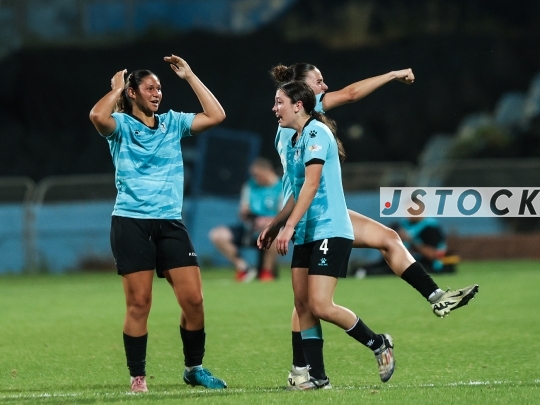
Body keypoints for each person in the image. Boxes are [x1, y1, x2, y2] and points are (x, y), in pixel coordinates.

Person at [266, 62, 479, 387]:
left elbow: (308, 184)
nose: (324, 87)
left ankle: (436, 296)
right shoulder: (298, 126)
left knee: (385, 241)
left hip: (320, 215)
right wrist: (392, 75)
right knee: (307, 302)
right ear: (302, 92)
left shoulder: (306, 127)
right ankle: (305, 370)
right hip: (310, 214)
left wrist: (282, 223)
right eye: (318, 82)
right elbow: (351, 94)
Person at [89, 55, 227, 392]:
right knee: (139, 303)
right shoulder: (120, 126)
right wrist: (116, 89)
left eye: (160, 88)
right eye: (150, 88)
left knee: (194, 301)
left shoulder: (172, 123)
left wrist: (190, 76)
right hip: (131, 222)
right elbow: (97, 116)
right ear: (132, 92)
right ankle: (138, 378)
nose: (157, 93)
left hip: (169, 222)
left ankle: (194, 369)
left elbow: (216, 115)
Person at [259, 80, 396, 390]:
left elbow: (311, 184)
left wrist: (289, 226)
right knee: (303, 306)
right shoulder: (294, 140)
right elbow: (296, 192)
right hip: (306, 231)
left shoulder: (316, 133)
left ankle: (378, 343)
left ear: (298, 105)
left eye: (279, 102)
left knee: (320, 304)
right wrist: (276, 224)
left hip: (330, 228)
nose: (274, 108)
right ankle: (318, 378)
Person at [209, 157, 282, 282]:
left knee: (276, 232)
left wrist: (266, 221)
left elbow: (284, 215)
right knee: (217, 235)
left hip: (269, 229)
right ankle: (244, 267)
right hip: (250, 228)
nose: (255, 178)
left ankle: (266, 272)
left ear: (269, 171)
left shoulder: (282, 187)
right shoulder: (250, 186)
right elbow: (243, 210)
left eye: (258, 175)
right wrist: (248, 216)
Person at [355, 213, 449, 278]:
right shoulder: (401, 225)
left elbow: (432, 255)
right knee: (364, 268)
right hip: (399, 261)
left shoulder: (430, 227)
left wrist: (411, 241)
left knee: (385, 271)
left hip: (426, 265)